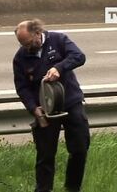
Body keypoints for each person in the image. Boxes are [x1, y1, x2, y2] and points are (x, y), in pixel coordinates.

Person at [12, 19, 90, 192]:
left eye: (29, 43)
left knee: (80, 148)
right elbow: (22, 87)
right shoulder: (20, 57)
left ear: (38, 32)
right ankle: (43, 189)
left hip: (70, 103)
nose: (27, 47)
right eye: (23, 44)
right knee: (45, 156)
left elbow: (79, 56)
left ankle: (72, 187)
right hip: (45, 109)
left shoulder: (59, 40)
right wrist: (34, 109)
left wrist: (59, 68)